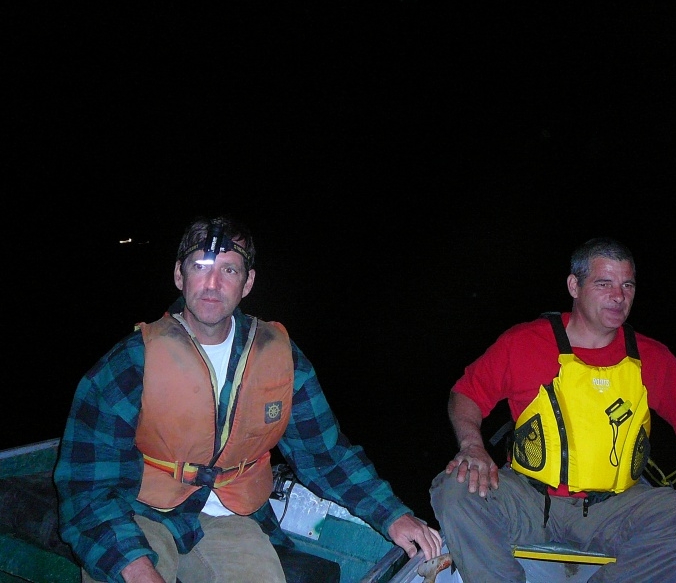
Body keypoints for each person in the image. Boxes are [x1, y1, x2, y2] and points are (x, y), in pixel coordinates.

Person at [54, 215, 442, 583]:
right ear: (179, 275)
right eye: (200, 266)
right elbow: (85, 488)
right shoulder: (130, 362)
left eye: (229, 270)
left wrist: (393, 515)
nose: (212, 284)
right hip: (136, 510)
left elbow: (325, 454)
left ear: (248, 282)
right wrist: (138, 570)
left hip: (230, 515)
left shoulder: (281, 358)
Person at [430, 236, 676, 583]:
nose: (618, 296)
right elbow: (465, 394)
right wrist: (472, 445)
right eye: (604, 283)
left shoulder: (651, 357)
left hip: (614, 506)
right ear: (575, 286)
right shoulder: (525, 342)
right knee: (454, 489)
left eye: (628, 285)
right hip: (529, 497)